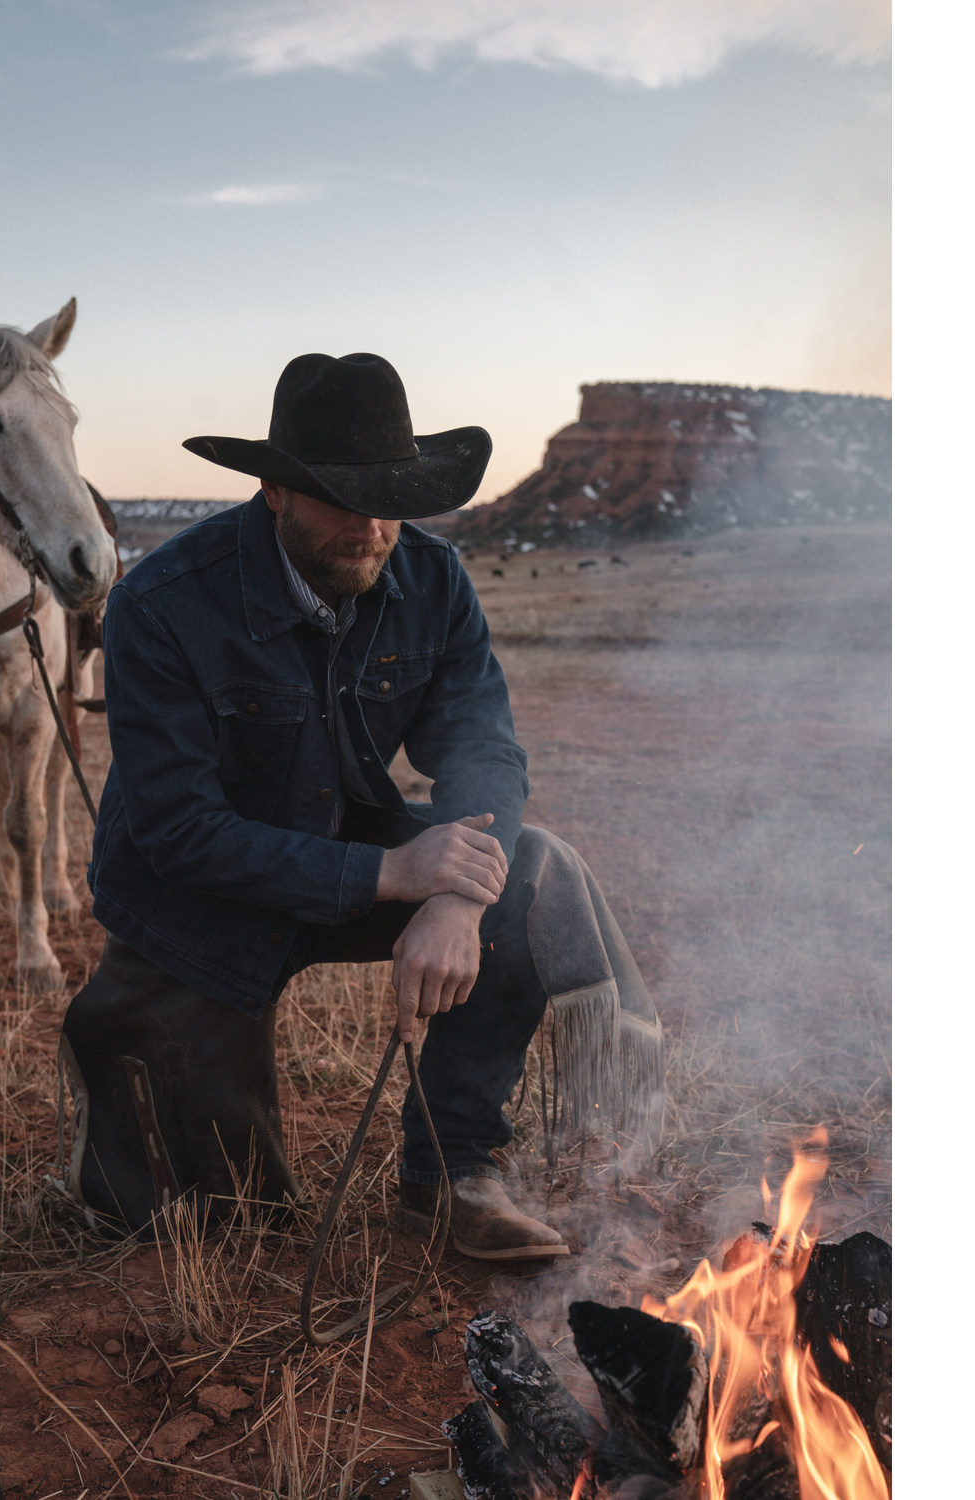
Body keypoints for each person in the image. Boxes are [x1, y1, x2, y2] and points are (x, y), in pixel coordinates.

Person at [59, 352, 663, 1259]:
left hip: (344, 844)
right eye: (343, 498)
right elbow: (179, 832)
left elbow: (482, 749)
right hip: (196, 901)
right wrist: (391, 872)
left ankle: (453, 1177)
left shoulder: (434, 579)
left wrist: (457, 896)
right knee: (208, 1230)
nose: (374, 526)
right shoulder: (158, 604)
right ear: (274, 490)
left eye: (393, 497)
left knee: (528, 871)